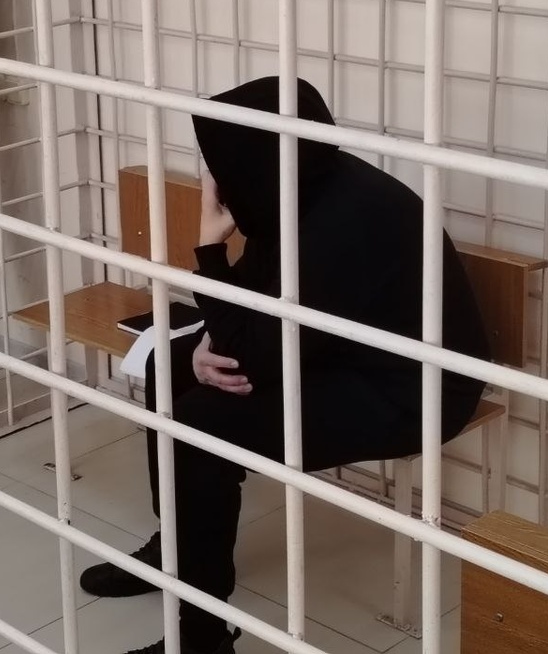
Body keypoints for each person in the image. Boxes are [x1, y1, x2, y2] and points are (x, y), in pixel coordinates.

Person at [79, 77, 492, 654]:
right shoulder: (298, 181)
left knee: (198, 428)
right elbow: (256, 302)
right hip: (340, 350)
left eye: (217, 164)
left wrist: (208, 249)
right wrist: (203, 347)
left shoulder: (339, 222)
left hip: (411, 389)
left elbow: (259, 352)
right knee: (171, 363)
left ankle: (200, 641)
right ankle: (178, 551)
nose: (212, 178)